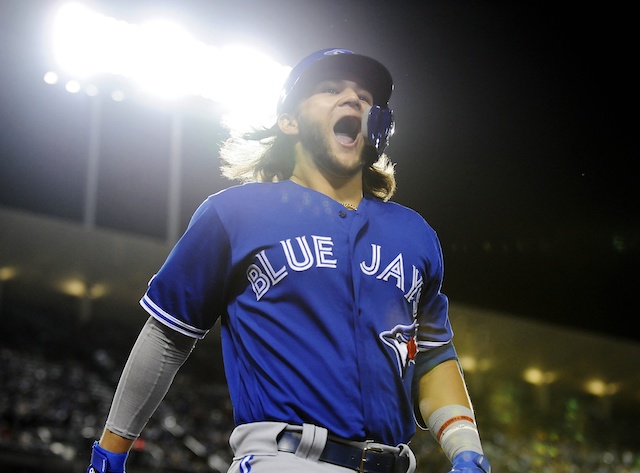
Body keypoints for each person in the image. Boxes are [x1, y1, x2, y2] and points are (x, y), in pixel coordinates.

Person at [86, 48, 491, 473]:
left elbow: (431, 354)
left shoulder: (415, 234)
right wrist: (111, 452)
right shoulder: (234, 213)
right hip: (285, 460)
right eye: (331, 89)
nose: (353, 99)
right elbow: (167, 336)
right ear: (289, 121)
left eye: (366, 96)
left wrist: (466, 447)